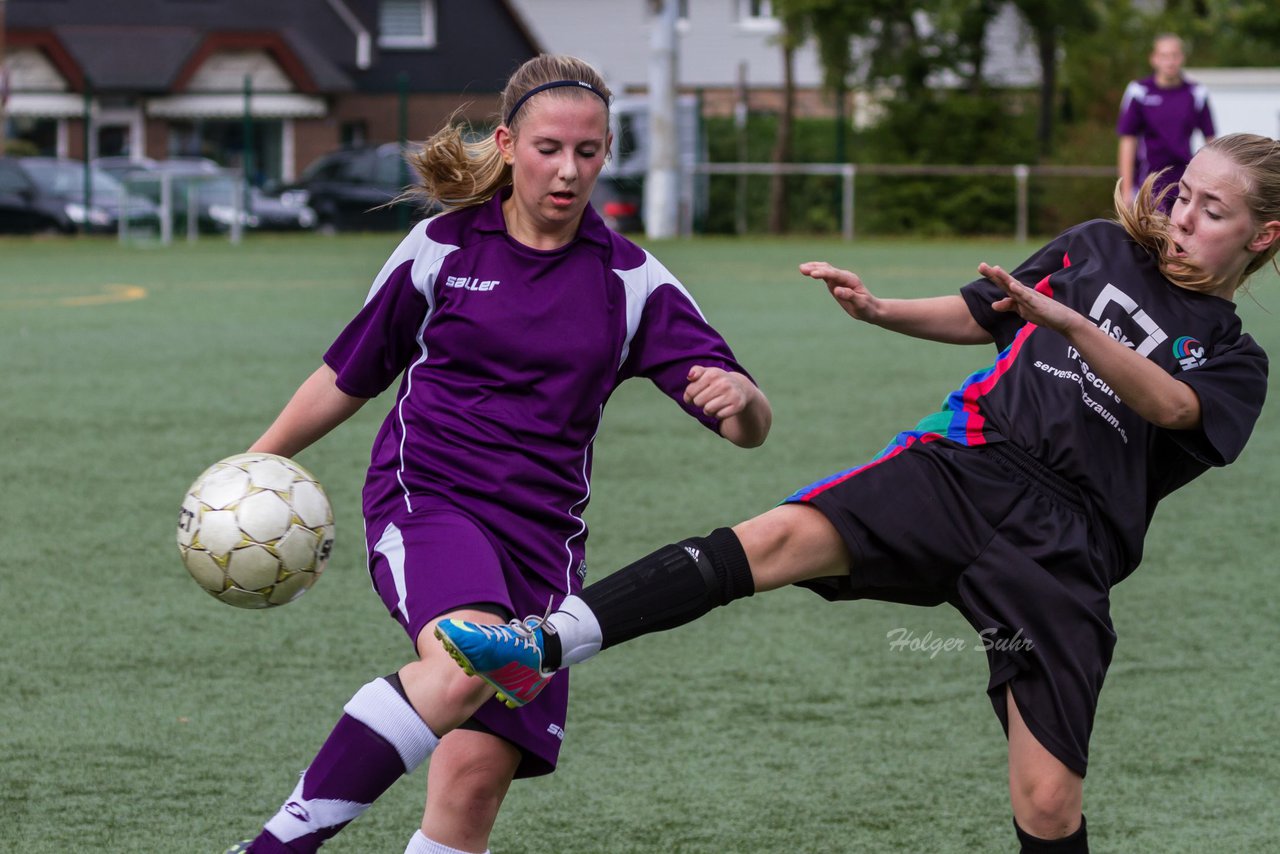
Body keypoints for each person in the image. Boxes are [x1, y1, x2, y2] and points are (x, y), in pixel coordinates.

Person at [438, 133, 1280, 853]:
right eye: (1184, 197)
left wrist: (1068, 324)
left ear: (1263, 235)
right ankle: (543, 643)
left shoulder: (1237, 362)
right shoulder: (1097, 246)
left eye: (1214, 212)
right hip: (967, 465)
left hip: (1065, 549)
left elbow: (1171, 407)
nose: (1183, 219)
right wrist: (880, 310)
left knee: (1049, 803)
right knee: (771, 539)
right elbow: (983, 311)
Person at [225, 53, 772, 854]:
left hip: (544, 549)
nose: (568, 170)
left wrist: (747, 403)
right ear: (510, 144)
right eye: (550, 148)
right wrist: (254, 463)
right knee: (463, 664)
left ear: (607, 153)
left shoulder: (631, 280)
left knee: (472, 785)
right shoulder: (441, 247)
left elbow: (741, 422)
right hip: (429, 499)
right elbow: (349, 374)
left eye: (589, 152)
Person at [1117, 33, 1216, 212]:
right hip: (1147, 182)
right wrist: (1126, 191)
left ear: (1182, 58)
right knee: (1147, 238)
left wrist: (1213, 182)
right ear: (1154, 59)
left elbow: (1211, 141)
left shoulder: (1196, 93)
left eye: (1174, 56)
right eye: (1164, 56)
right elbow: (1127, 141)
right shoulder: (1139, 91)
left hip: (1185, 181)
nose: (1169, 62)